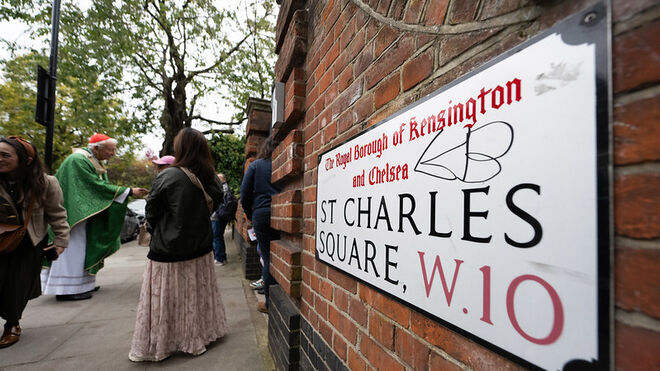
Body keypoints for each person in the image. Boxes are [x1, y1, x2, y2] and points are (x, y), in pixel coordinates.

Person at [129, 128, 227, 362]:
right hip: (201, 247)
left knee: (166, 300)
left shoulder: (169, 176)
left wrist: (156, 228)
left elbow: (151, 210)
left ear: (181, 148)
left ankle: (165, 343)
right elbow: (216, 203)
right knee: (196, 295)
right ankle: (199, 335)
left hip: (169, 251)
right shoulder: (212, 177)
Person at [40, 133, 148, 301]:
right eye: (111, 150)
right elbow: (94, 187)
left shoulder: (93, 161)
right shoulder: (78, 160)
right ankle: (65, 289)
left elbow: (100, 187)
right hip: (73, 216)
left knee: (82, 250)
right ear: (97, 148)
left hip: (82, 216)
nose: (113, 154)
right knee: (72, 250)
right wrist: (128, 191)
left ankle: (83, 284)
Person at [0, 136, 70, 348]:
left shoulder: (46, 183)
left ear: (25, 160)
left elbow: (57, 214)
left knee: (16, 287)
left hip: (29, 243)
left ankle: (12, 324)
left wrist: (60, 241)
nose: (0, 159)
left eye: (5, 155)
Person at [240, 135, 281, 313]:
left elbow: (245, 194)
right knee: (280, 257)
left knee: (267, 256)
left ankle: (269, 303)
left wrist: (250, 215)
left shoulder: (256, 165)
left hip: (262, 215)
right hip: (284, 213)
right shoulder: (281, 164)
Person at [210, 173, 237, 265]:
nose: (216, 180)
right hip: (219, 216)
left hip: (217, 217)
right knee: (218, 236)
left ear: (224, 180)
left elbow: (218, 200)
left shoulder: (223, 188)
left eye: (218, 178)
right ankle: (221, 257)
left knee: (216, 237)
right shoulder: (225, 188)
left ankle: (220, 258)